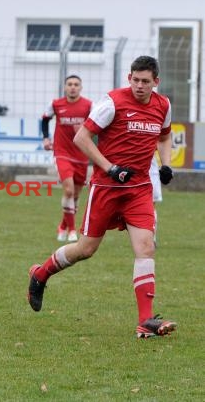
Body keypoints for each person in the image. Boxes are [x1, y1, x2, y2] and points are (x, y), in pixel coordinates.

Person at [28, 56, 177, 339]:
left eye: (146, 82)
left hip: (139, 190)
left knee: (145, 247)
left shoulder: (163, 105)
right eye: (135, 80)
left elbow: (165, 136)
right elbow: (82, 138)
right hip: (107, 189)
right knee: (85, 249)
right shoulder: (112, 103)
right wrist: (110, 168)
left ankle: (145, 322)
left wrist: (167, 163)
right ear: (129, 77)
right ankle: (41, 274)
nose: (140, 86)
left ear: (156, 82)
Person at [42, 75, 92, 242]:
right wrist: (46, 138)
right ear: (65, 87)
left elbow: (97, 125)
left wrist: (86, 129)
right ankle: (71, 230)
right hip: (62, 153)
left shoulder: (88, 106)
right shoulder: (56, 104)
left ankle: (63, 225)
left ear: (81, 87)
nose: (72, 87)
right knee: (69, 190)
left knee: (76, 196)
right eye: (70, 84)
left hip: (81, 154)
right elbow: (45, 119)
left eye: (76, 84)